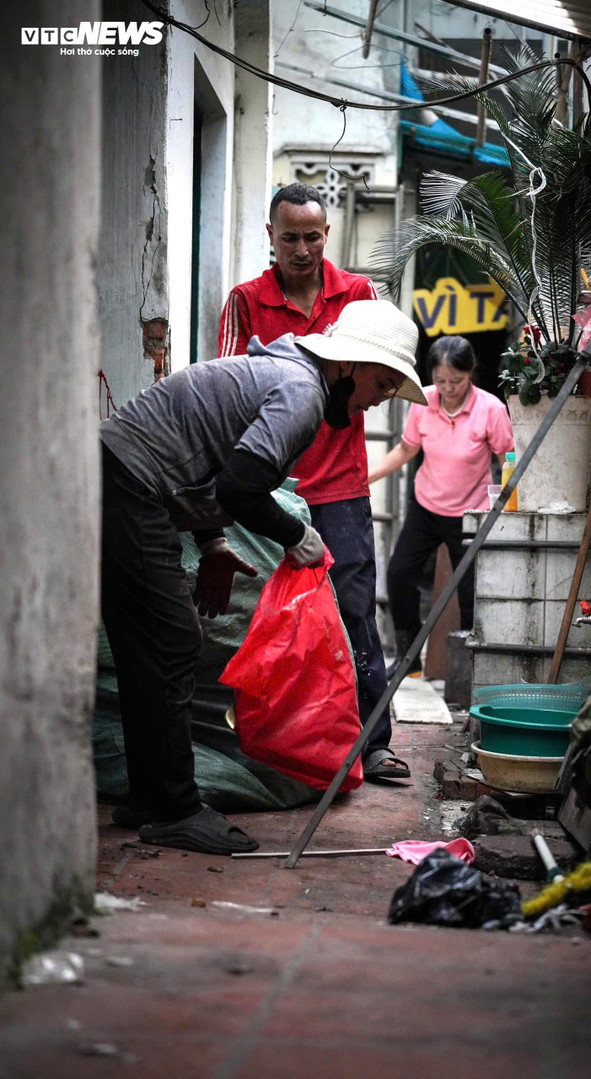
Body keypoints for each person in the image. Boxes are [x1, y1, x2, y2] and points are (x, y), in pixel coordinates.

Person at [100, 300, 426, 855]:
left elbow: (207, 466)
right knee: (174, 643)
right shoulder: (300, 392)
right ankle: (176, 808)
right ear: (346, 366)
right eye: (382, 382)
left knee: (145, 648)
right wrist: (295, 537)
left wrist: (215, 544)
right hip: (129, 482)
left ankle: (150, 797)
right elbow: (240, 486)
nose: (379, 400)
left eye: (392, 390)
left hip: (122, 476)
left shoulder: (287, 377)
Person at [217, 182, 411, 783]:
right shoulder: (245, 299)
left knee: (354, 612)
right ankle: (279, 737)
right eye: (290, 237)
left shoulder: (357, 294)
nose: (301, 249)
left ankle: (372, 742)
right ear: (270, 238)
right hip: (271, 484)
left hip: (342, 485)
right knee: (264, 617)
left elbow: (378, 380)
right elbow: (232, 386)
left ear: (327, 237)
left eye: (312, 237)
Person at [369, 335, 514, 677]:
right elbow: (406, 450)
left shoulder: (491, 409)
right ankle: (408, 661)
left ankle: (467, 670)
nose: (447, 389)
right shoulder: (422, 402)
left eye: (456, 381)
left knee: (469, 593)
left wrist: (510, 506)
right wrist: (367, 476)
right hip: (426, 506)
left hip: (469, 512)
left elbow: (507, 458)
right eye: (439, 381)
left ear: (472, 374)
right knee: (399, 574)